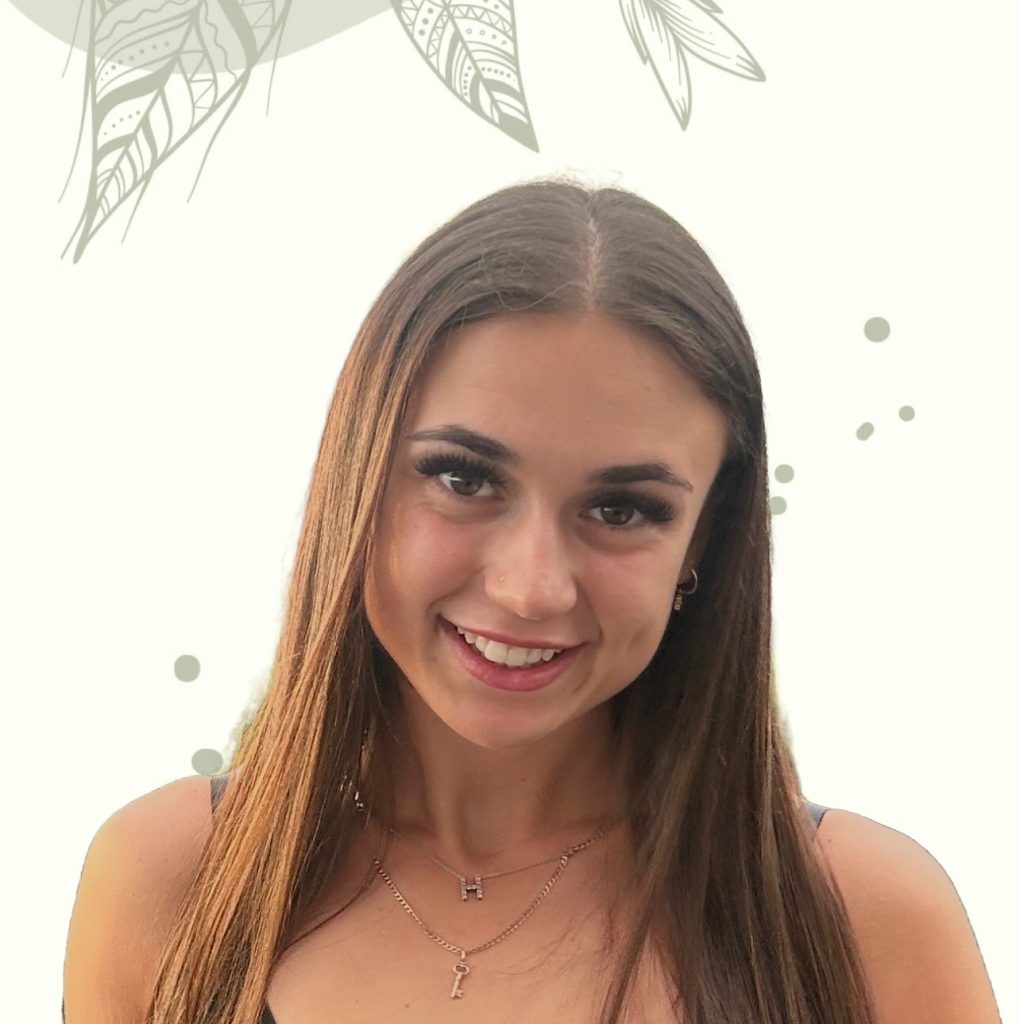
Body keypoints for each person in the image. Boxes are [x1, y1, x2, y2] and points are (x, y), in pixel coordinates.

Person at [62, 176, 1001, 1024]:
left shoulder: (862, 918)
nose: (529, 586)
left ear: (702, 543)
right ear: (358, 477)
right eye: (465, 479)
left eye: (621, 508)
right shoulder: (171, 878)